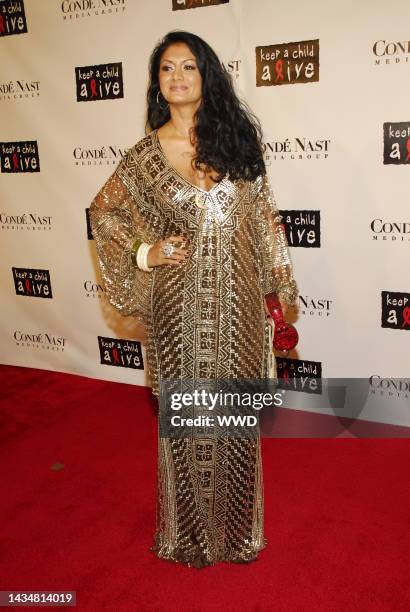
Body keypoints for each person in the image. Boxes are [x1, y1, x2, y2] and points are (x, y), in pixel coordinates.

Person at [89, 30, 298, 568]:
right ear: (157, 83)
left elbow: (265, 222)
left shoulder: (235, 143)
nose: (177, 76)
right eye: (166, 68)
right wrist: (144, 252)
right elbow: (103, 214)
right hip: (177, 305)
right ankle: (186, 535)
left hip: (241, 302)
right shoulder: (144, 155)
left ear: (207, 76)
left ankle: (236, 532)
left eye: (188, 66)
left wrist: (278, 291)